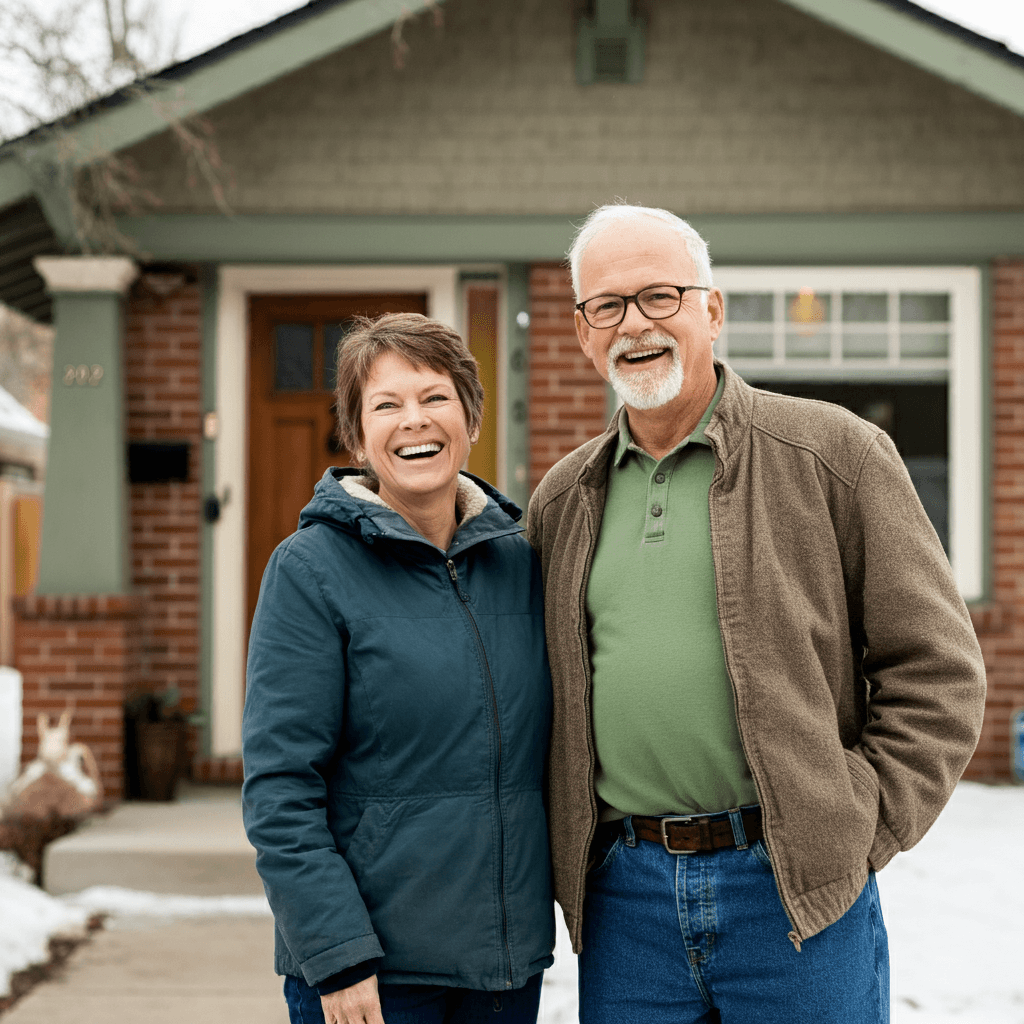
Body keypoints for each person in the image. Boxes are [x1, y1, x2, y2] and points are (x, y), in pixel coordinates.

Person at [526, 204, 987, 1024]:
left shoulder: (833, 456)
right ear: (584, 333)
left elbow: (939, 671)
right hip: (625, 899)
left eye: (661, 296)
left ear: (712, 309)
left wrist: (857, 826)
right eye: (610, 305)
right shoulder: (564, 500)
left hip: (793, 893)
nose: (637, 323)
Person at [243, 312, 554, 1024]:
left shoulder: (518, 562)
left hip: (503, 970)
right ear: (357, 437)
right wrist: (337, 954)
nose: (415, 421)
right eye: (386, 405)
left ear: (471, 418)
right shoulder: (309, 571)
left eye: (435, 397)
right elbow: (280, 787)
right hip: (376, 978)